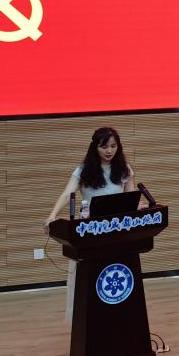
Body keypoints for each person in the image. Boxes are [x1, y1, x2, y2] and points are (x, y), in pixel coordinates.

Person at [43, 126, 136, 323]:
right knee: (90, 279)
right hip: (90, 233)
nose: (109, 151)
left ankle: (119, 320)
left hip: (117, 232)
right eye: (104, 147)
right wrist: (52, 215)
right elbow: (67, 194)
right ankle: (88, 321)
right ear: (95, 147)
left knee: (117, 275)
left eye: (113, 146)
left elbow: (131, 198)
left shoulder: (124, 169)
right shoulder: (83, 170)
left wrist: (139, 206)